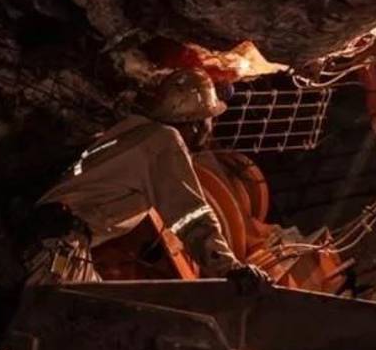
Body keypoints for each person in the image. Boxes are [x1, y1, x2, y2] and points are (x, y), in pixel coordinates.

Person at [29, 68, 268, 291]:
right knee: (92, 315)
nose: (212, 126)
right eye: (210, 119)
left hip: (46, 238)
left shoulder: (135, 133)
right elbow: (190, 215)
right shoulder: (164, 142)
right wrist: (229, 268)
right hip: (59, 245)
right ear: (196, 123)